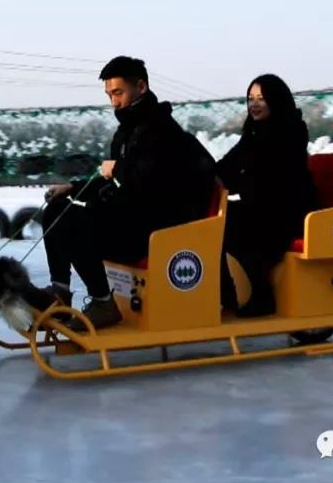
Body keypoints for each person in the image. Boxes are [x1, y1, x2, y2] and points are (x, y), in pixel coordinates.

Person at [41, 56, 216, 330]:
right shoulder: (127, 132)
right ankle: (60, 294)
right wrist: (73, 188)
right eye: (110, 94)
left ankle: (103, 303)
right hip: (130, 217)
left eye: (119, 93)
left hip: (157, 227)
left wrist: (118, 169)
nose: (114, 101)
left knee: (77, 223)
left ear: (141, 87)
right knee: (57, 210)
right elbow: (115, 179)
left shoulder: (162, 130)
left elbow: (153, 181)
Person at [217, 74, 317, 317]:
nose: (254, 104)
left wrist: (234, 183)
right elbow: (231, 163)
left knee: (233, 226)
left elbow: (268, 177)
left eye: (261, 98)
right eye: (250, 98)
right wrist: (210, 176)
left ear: (277, 99)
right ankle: (226, 293)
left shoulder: (290, 132)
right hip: (261, 207)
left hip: (287, 211)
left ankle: (262, 296)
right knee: (213, 223)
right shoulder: (254, 132)